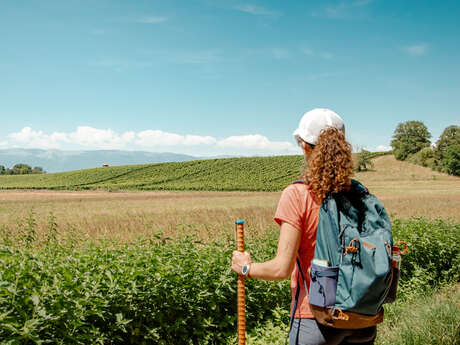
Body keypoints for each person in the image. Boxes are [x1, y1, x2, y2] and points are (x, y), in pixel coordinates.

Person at [231, 108, 377, 345]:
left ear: (304, 146)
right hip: (362, 318)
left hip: (316, 319)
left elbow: (280, 269)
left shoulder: (297, 195)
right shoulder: (360, 194)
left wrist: (246, 267)